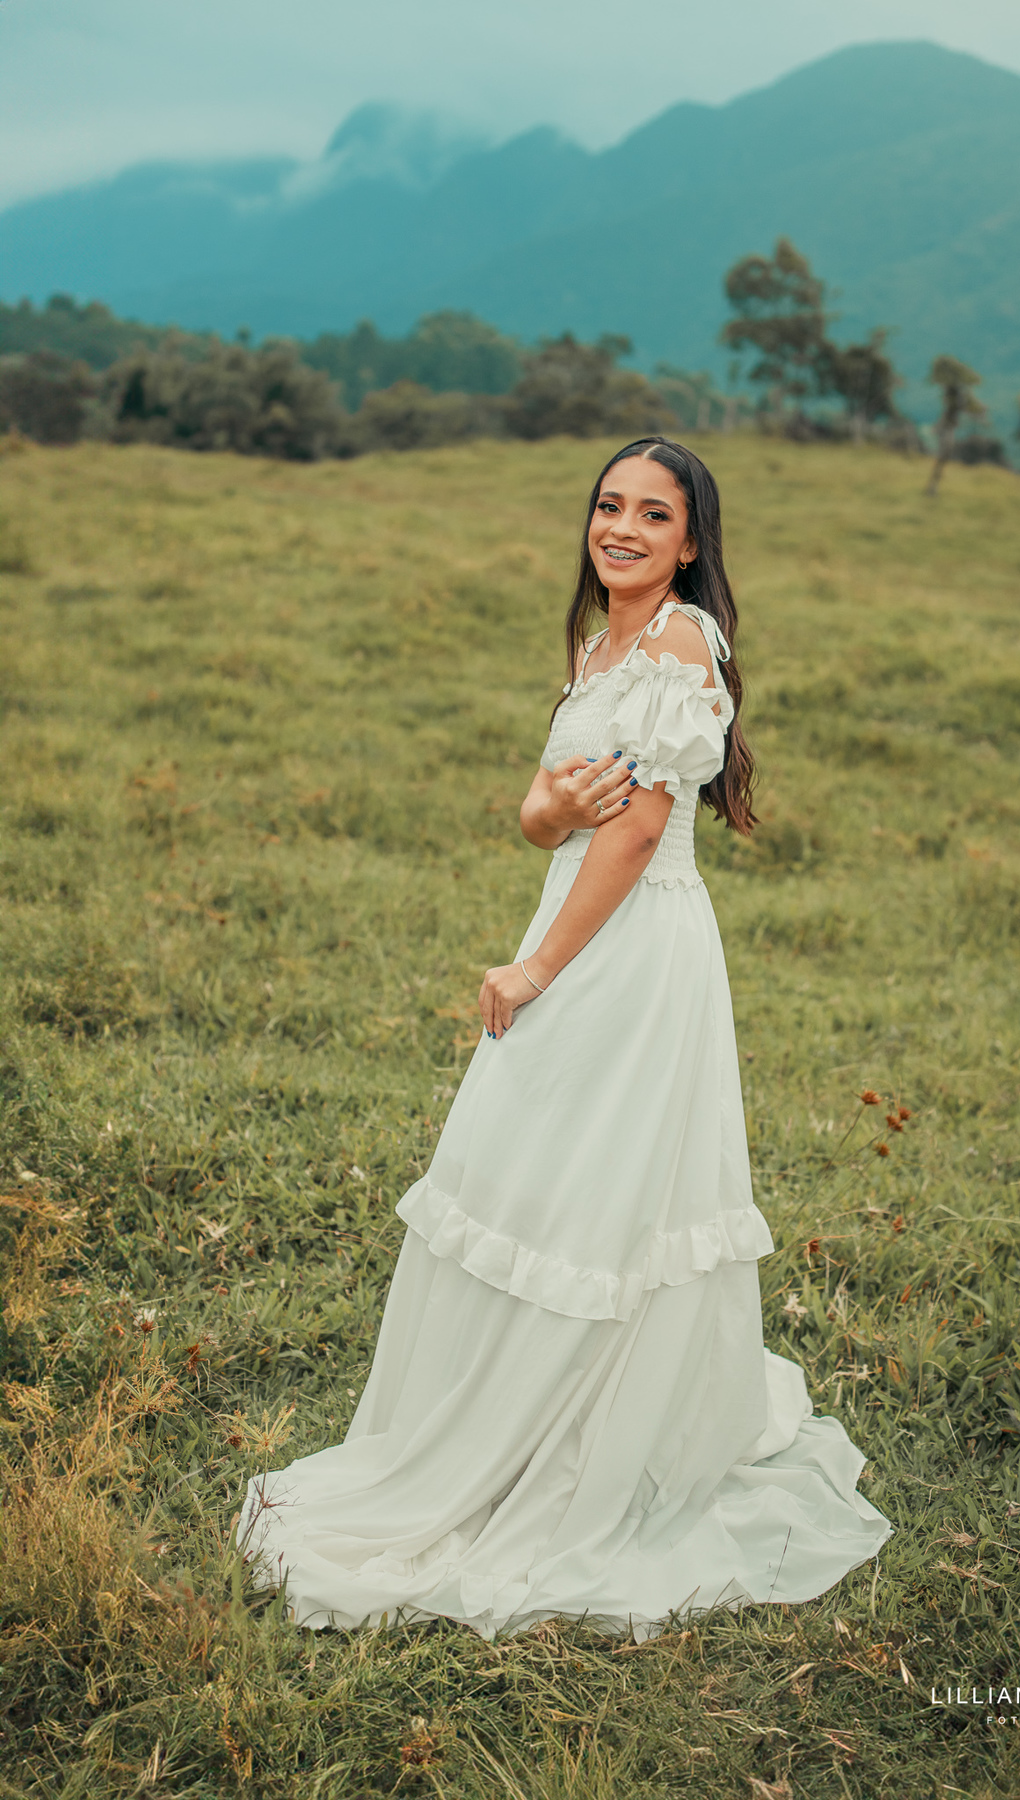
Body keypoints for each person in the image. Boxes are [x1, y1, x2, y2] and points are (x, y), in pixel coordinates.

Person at [239, 436, 890, 1637]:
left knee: (600, 1191)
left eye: (654, 515)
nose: (622, 529)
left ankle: (589, 1441)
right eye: (608, 505)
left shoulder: (682, 645)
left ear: (690, 544)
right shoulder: (599, 647)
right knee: (532, 1175)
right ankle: (508, 1419)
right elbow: (552, 818)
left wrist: (540, 965)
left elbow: (634, 835)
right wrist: (541, 815)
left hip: (631, 948)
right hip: (578, 916)